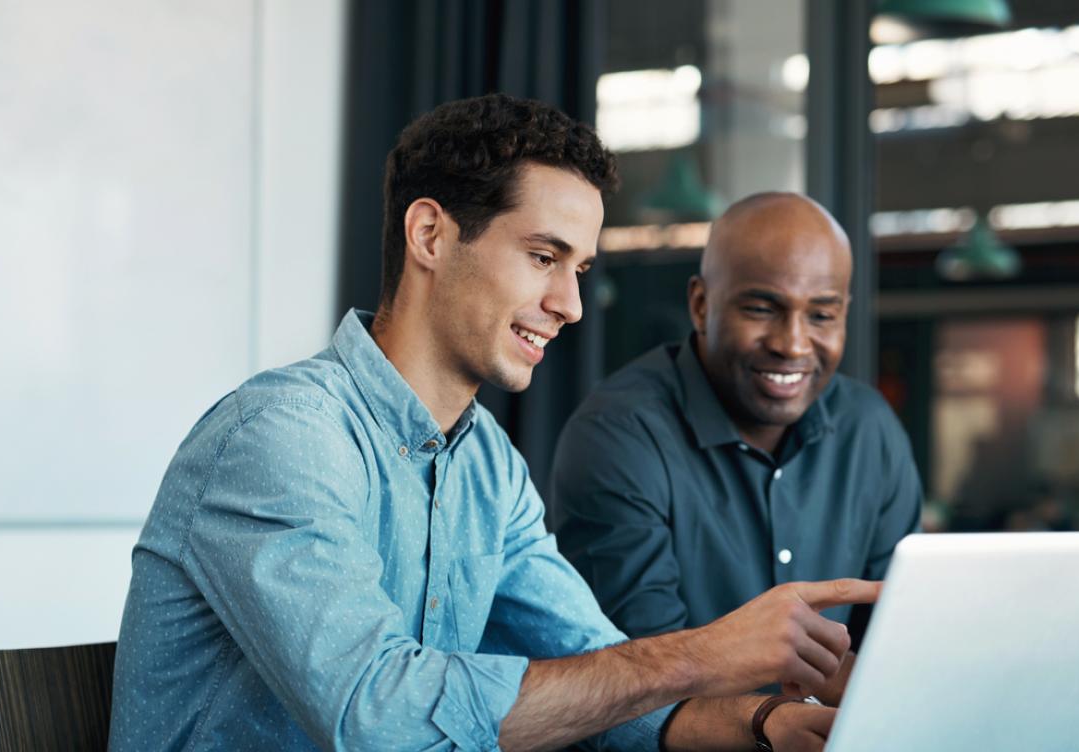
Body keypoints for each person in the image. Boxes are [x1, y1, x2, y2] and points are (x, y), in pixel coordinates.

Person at [109, 95, 876, 752]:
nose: (571, 306)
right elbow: (377, 715)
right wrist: (703, 655)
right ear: (431, 236)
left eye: (579, 270)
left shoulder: (488, 467)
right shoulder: (282, 436)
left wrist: (770, 721)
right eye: (544, 256)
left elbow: (600, 678)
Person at [553, 192, 924, 705]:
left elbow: (902, 642)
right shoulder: (619, 434)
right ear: (701, 305)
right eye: (762, 308)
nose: (793, 344)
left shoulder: (869, 429)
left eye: (822, 315)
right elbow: (642, 682)